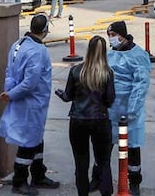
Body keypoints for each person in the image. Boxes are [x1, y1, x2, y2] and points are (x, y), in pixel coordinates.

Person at [0, 14, 61, 195]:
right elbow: (30, 83)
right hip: (32, 103)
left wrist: (9, 91)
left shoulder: (18, 44)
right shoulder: (38, 52)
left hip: (25, 101)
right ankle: (19, 181)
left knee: (36, 139)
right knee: (28, 143)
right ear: (45, 30)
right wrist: (11, 94)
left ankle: (38, 173)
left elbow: (10, 71)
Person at [60, 36, 116, 196]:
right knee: (104, 161)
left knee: (81, 162)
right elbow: (110, 100)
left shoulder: (76, 70)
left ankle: (82, 193)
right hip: (100, 120)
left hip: (78, 120)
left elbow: (68, 96)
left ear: (88, 50)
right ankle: (106, 192)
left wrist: (61, 94)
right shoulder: (107, 73)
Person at [104, 21, 151, 194]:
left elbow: (141, 84)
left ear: (122, 35)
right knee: (106, 147)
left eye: (113, 35)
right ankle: (100, 177)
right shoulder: (110, 54)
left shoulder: (137, 55)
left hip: (130, 111)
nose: (111, 39)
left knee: (132, 148)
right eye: (109, 35)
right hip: (111, 109)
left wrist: (132, 109)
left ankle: (134, 182)